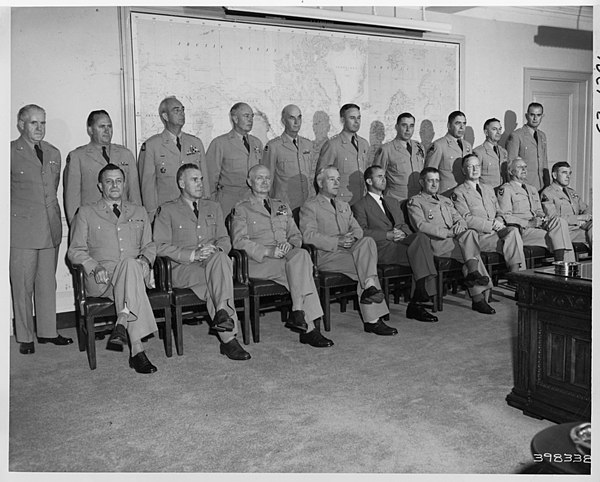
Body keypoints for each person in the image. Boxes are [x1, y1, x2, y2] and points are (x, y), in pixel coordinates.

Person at [153, 164, 251, 360]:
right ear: (181, 183)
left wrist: (216, 250)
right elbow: (159, 246)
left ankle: (223, 318)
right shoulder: (167, 210)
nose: (200, 184)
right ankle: (228, 336)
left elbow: (224, 240)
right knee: (219, 282)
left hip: (212, 263)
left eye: (201, 179)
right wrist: (192, 254)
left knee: (221, 258)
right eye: (194, 180)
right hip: (182, 268)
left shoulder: (213, 206)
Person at [68, 164, 159, 374]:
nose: (114, 185)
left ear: (124, 184)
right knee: (130, 264)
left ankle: (129, 335)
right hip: (103, 281)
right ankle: (133, 338)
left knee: (131, 263)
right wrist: (94, 266)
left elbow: (149, 245)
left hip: (133, 274)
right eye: (108, 181)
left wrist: (145, 259)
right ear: (100, 186)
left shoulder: (139, 211)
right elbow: (75, 251)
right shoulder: (86, 212)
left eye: (118, 181)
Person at [231, 165, 333, 348]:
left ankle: (298, 311)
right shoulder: (241, 208)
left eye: (267, 178)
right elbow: (239, 242)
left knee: (301, 255)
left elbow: (296, 235)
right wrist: (268, 251)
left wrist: (290, 244)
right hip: (259, 261)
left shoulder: (281, 205)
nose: (264, 182)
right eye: (259, 178)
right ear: (250, 182)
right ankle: (310, 329)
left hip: (286, 256)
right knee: (302, 273)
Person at [300, 166, 397, 335]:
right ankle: (373, 318)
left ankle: (369, 287)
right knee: (366, 267)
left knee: (367, 241)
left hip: (350, 251)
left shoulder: (343, 205)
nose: (337, 183)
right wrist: (337, 241)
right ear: (320, 182)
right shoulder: (310, 206)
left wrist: (350, 238)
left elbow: (358, 230)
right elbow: (308, 236)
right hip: (327, 255)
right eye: (332, 179)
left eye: (338, 179)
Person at [11, 104, 73, 355]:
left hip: (50, 227)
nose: (39, 128)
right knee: (22, 285)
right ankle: (25, 336)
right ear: (21, 125)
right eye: (34, 123)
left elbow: (52, 188)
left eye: (42, 123)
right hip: (22, 229)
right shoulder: (10, 152)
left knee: (47, 282)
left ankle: (48, 331)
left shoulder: (54, 153)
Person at [352, 166, 439, 322]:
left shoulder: (392, 201)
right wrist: (388, 235)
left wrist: (404, 234)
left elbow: (403, 224)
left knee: (421, 239)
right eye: (379, 176)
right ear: (369, 181)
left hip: (400, 242)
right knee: (423, 254)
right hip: (383, 248)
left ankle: (419, 293)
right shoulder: (360, 205)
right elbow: (361, 233)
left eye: (385, 176)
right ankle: (418, 300)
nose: (384, 179)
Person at [407, 167, 496, 315]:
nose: (435, 184)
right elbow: (420, 225)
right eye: (430, 181)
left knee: (470, 235)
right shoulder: (416, 201)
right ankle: (478, 298)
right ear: (422, 182)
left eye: (437, 180)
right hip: (436, 242)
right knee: (471, 254)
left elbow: (458, 217)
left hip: (453, 241)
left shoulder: (445, 200)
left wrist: (460, 224)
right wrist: (446, 233)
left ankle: (474, 277)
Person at [64, 110, 141, 224]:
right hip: (93, 224)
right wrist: (77, 228)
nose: (107, 130)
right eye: (101, 126)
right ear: (90, 130)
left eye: (109, 126)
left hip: (123, 223)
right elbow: (72, 200)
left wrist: (137, 221)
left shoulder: (126, 154)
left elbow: (134, 194)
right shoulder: (78, 157)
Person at [452, 154, 526, 272]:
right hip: (479, 237)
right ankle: (518, 276)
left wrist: (499, 220)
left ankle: (517, 275)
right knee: (513, 245)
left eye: (477, 166)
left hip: (496, 232)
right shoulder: (459, 192)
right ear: (463, 170)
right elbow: (465, 218)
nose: (475, 169)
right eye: (470, 166)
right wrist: (490, 224)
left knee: (513, 231)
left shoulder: (488, 189)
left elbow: (499, 211)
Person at [138, 96, 207, 219]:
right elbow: (147, 187)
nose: (181, 113)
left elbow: (204, 180)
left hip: (194, 211)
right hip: (166, 214)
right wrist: (153, 216)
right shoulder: (151, 146)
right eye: (176, 110)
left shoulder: (195, 143)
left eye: (182, 110)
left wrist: (206, 209)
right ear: (165, 116)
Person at [497, 158, 575, 262]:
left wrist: (541, 217)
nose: (524, 169)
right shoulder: (506, 189)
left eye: (525, 167)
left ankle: (563, 264)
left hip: (538, 225)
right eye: (520, 167)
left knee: (560, 222)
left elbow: (538, 210)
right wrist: (529, 223)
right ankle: (564, 264)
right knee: (557, 236)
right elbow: (505, 216)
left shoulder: (532, 189)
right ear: (511, 172)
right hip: (524, 229)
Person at [206, 102, 263, 216]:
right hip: (229, 203)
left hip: (253, 202)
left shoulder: (256, 143)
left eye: (252, 116)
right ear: (235, 119)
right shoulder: (220, 143)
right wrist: (211, 205)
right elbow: (210, 178)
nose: (250, 120)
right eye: (246, 116)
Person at [261, 104, 315, 210]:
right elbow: (267, 179)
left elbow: (311, 176)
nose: (296, 122)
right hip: (285, 206)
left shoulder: (308, 145)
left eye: (299, 117)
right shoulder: (273, 146)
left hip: (307, 205)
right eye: (292, 118)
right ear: (283, 121)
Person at [315, 104, 370, 206]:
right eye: (352, 118)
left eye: (359, 118)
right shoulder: (333, 145)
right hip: (341, 202)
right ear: (342, 120)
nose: (356, 122)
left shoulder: (364, 144)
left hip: (362, 201)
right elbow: (321, 177)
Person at [373, 112, 425, 201]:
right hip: (396, 200)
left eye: (411, 126)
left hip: (417, 200)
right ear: (397, 127)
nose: (408, 129)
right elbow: (377, 177)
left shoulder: (419, 147)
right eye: (404, 125)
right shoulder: (386, 149)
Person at [540, 162, 592, 247]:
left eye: (569, 173)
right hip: (565, 231)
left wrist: (586, 216)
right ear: (554, 175)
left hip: (580, 228)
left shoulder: (571, 192)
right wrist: (578, 219)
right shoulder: (548, 193)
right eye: (564, 173)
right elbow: (554, 219)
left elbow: (585, 208)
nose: (568, 176)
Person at [424, 110, 472, 196]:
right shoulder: (439, 145)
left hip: (465, 195)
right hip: (447, 195)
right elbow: (429, 175)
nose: (462, 127)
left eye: (464, 123)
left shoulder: (467, 146)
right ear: (449, 125)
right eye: (458, 123)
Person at [506, 102, 549, 190]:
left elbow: (544, 161)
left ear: (542, 116)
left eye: (538, 115)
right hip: (524, 185)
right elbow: (510, 164)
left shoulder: (542, 136)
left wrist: (547, 183)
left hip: (541, 186)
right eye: (532, 115)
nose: (535, 118)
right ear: (526, 116)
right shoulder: (517, 135)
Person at [473, 118, 508, 188]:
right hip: (487, 194)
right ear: (486, 132)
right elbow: (474, 178)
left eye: (500, 129)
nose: (498, 132)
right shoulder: (479, 152)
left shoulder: (503, 152)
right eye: (494, 129)